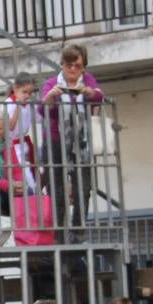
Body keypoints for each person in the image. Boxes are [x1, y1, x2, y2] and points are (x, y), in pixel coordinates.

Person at [40, 43, 104, 234]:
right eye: (69, 65)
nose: (73, 69)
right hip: (56, 139)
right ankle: (59, 230)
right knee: (57, 187)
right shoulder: (52, 83)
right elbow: (41, 108)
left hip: (81, 140)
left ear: (83, 67)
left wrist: (88, 92)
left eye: (78, 65)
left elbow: (99, 96)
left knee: (84, 185)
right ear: (62, 64)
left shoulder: (87, 80)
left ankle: (78, 228)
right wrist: (51, 97)